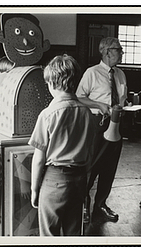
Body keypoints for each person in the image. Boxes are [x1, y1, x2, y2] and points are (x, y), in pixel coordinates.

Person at [28, 54, 95, 236]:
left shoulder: (48, 114)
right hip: (79, 179)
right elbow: (90, 152)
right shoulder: (87, 113)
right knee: (73, 233)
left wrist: (35, 189)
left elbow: (39, 158)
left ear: (52, 84)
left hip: (54, 180)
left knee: (49, 236)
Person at [76, 37, 127, 223]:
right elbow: (79, 97)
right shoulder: (92, 73)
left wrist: (125, 106)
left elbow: (121, 99)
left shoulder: (120, 74)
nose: (121, 53)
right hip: (98, 125)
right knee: (92, 166)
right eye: (119, 50)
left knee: (110, 167)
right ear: (107, 52)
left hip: (117, 124)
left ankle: (101, 205)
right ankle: (83, 204)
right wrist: (98, 104)